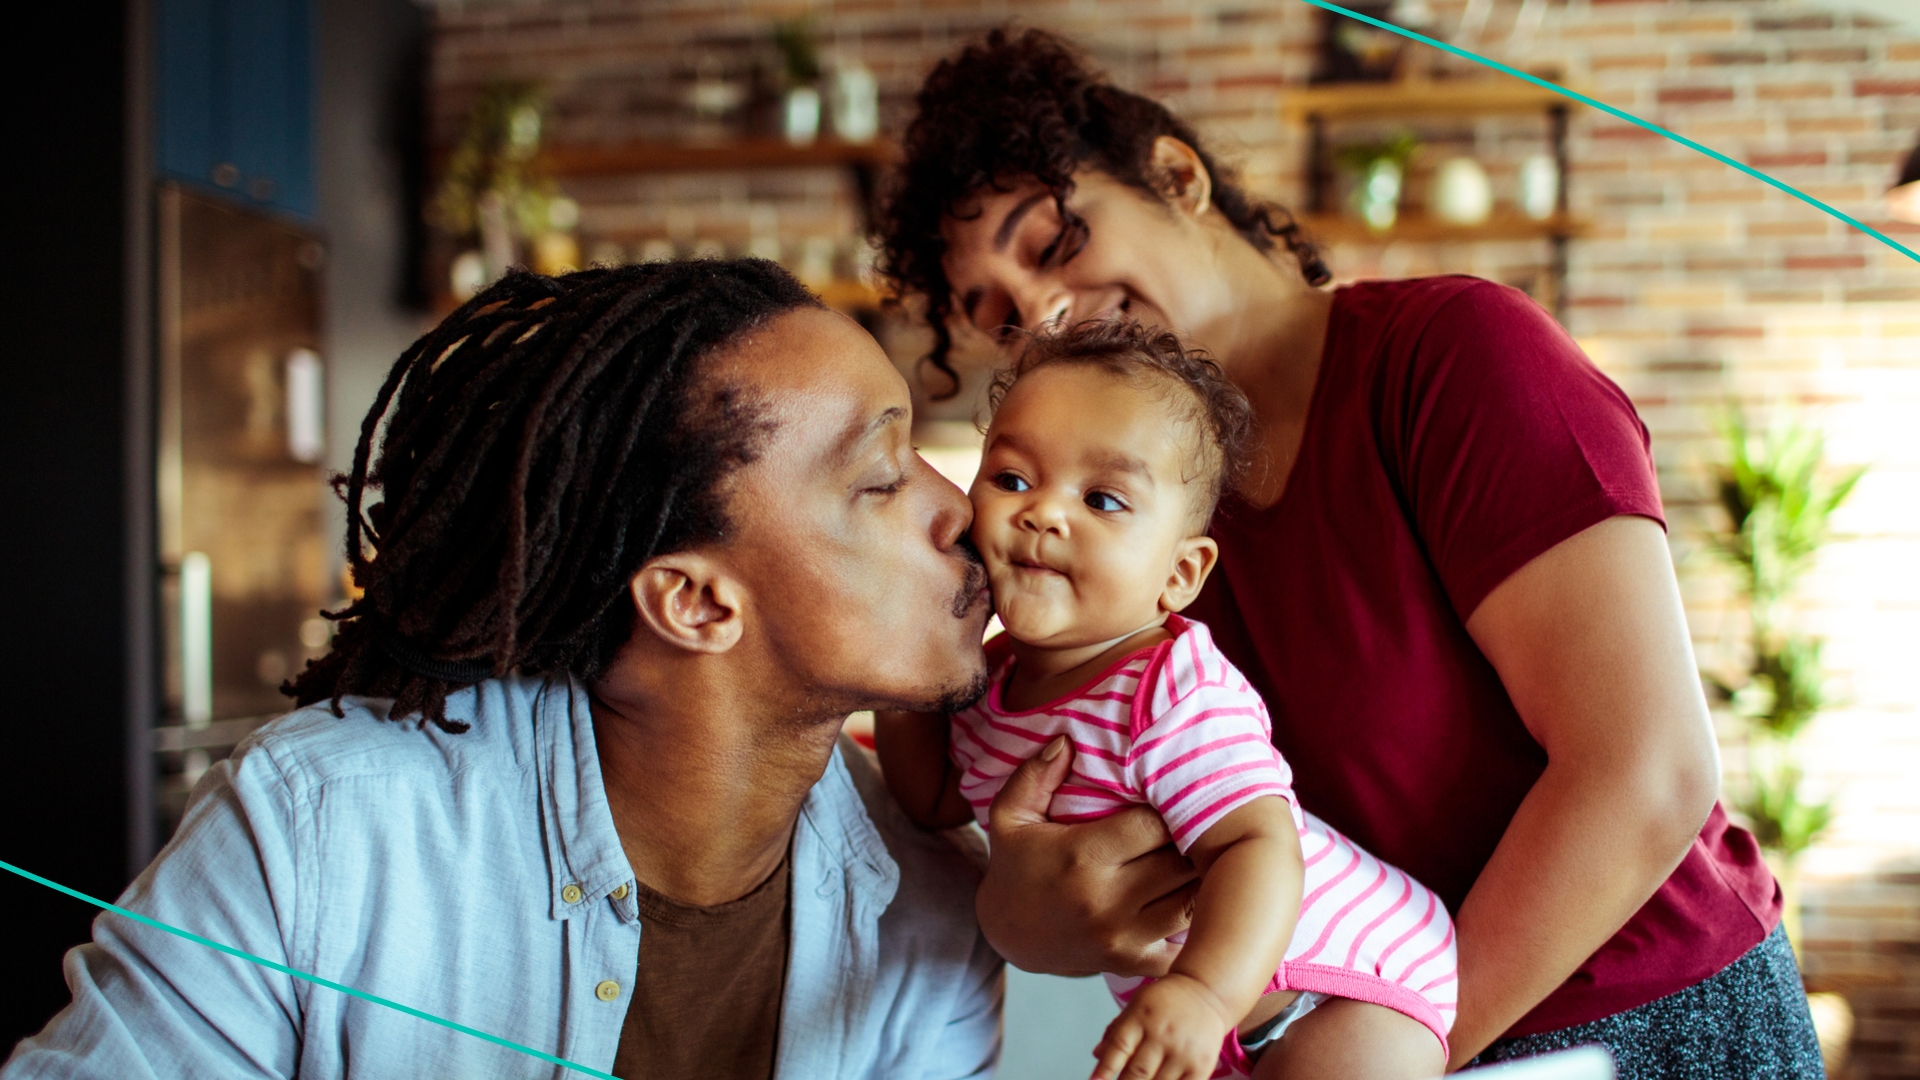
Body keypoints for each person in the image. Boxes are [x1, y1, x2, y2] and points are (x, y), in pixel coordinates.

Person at [876, 28, 1823, 1078]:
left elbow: (1646, 775)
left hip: (1637, 1020)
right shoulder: (1117, 542)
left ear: (1176, 176)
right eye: (998, 316)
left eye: (1052, 245)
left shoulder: (1456, 360)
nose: (1043, 312)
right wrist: (1034, 918)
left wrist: (1405, 1047)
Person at [2, 260, 1002, 1080]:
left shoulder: (938, 904)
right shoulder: (317, 834)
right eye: (881, 475)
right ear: (695, 604)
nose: (960, 511)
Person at [877, 321, 1455, 1080]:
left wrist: (1206, 995)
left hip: (1348, 980)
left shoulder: (1172, 688)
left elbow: (1257, 845)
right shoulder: (986, 687)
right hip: (1195, 1013)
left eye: (1104, 499)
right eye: (1013, 480)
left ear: (1181, 575)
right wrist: (900, 673)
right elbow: (935, 800)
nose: (1044, 514)